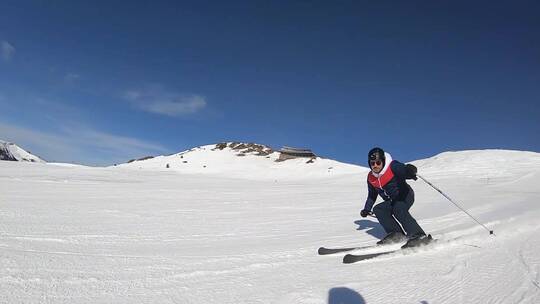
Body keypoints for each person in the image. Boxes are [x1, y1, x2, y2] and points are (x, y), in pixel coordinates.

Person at [360, 147, 431, 248]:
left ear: (383, 161)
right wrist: (367, 209)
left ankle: (419, 236)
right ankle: (397, 234)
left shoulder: (392, 166)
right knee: (379, 209)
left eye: (378, 162)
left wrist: (409, 171)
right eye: (372, 163)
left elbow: (403, 170)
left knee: (398, 208)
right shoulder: (371, 177)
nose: (375, 165)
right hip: (392, 200)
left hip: (405, 196)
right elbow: (372, 195)